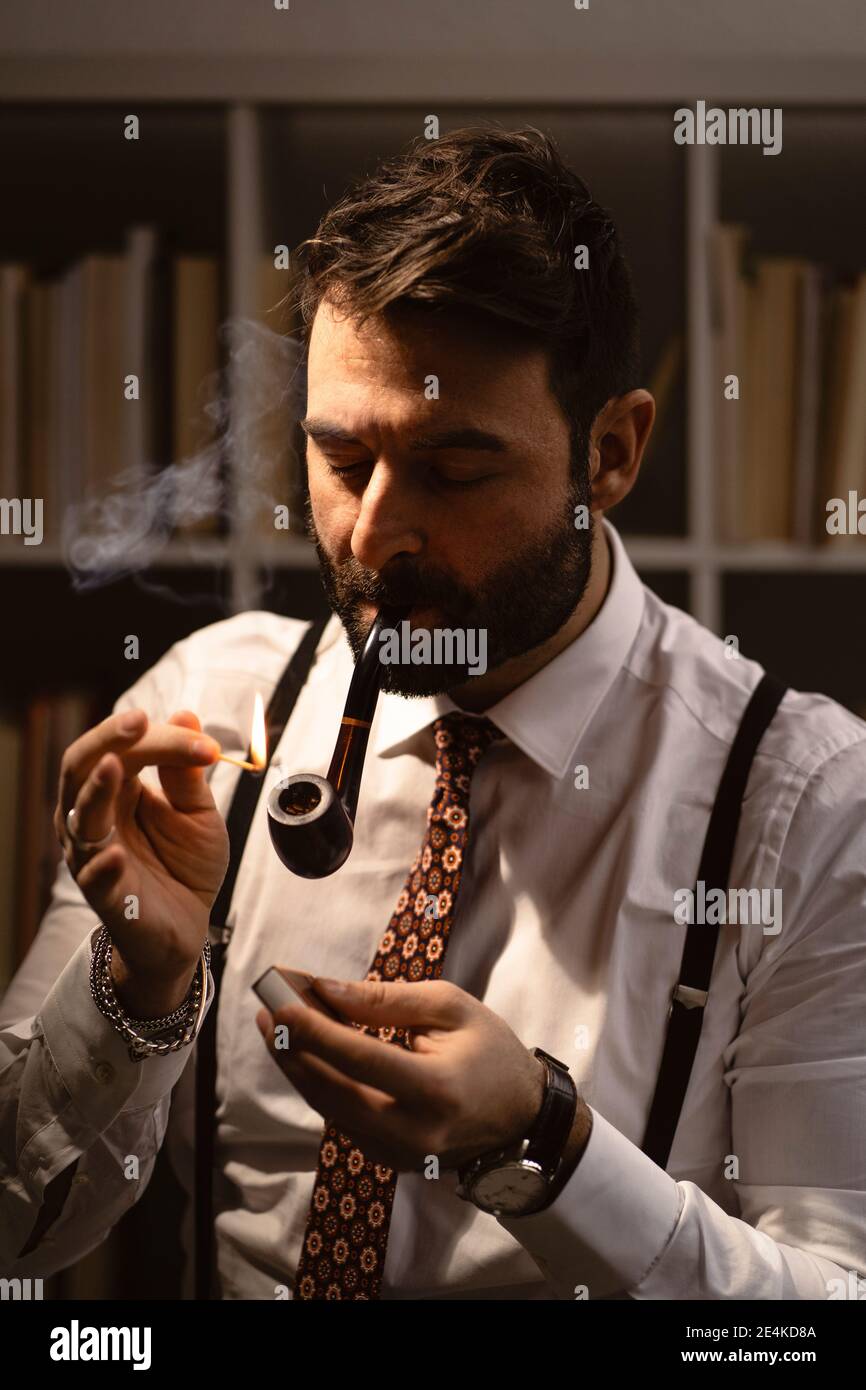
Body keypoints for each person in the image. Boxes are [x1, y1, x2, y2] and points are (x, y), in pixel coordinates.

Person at [2, 127, 865, 1301]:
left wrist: (549, 1149)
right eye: (341, 457)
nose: (372, 537)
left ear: (608, 453)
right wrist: (134, 992)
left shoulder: (806, 802)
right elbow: (18, 1232)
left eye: (456, 471)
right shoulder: (208, 711)